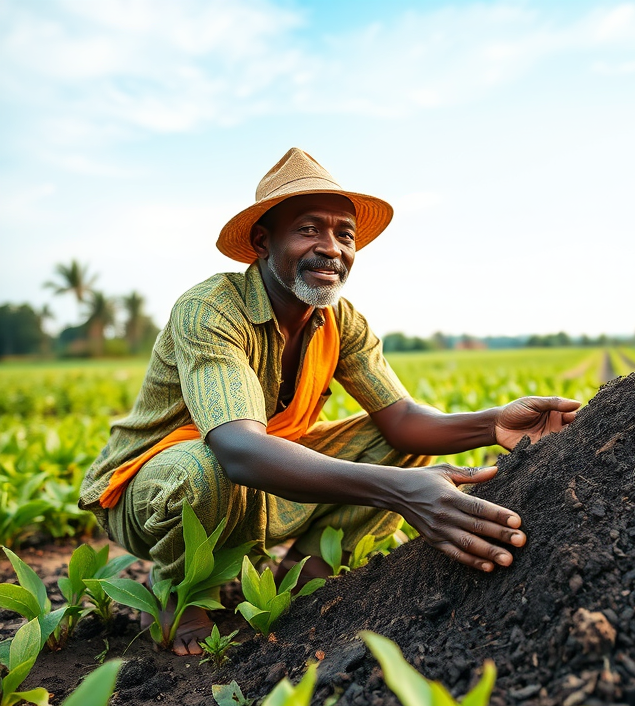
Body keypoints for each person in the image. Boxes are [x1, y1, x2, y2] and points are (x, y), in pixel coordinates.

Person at [79, 148, 579, 654]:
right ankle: (182, 593)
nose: (331, 248)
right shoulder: (210, 309)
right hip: (156, 491)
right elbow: (237, 449)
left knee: (396, 443)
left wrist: (493, 423)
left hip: (262, 479)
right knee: (201, 466)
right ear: (262, 241)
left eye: (345, 234)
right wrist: (402, 492)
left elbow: (403, 420)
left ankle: (303, 575)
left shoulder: (341, 321)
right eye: (308, 230)